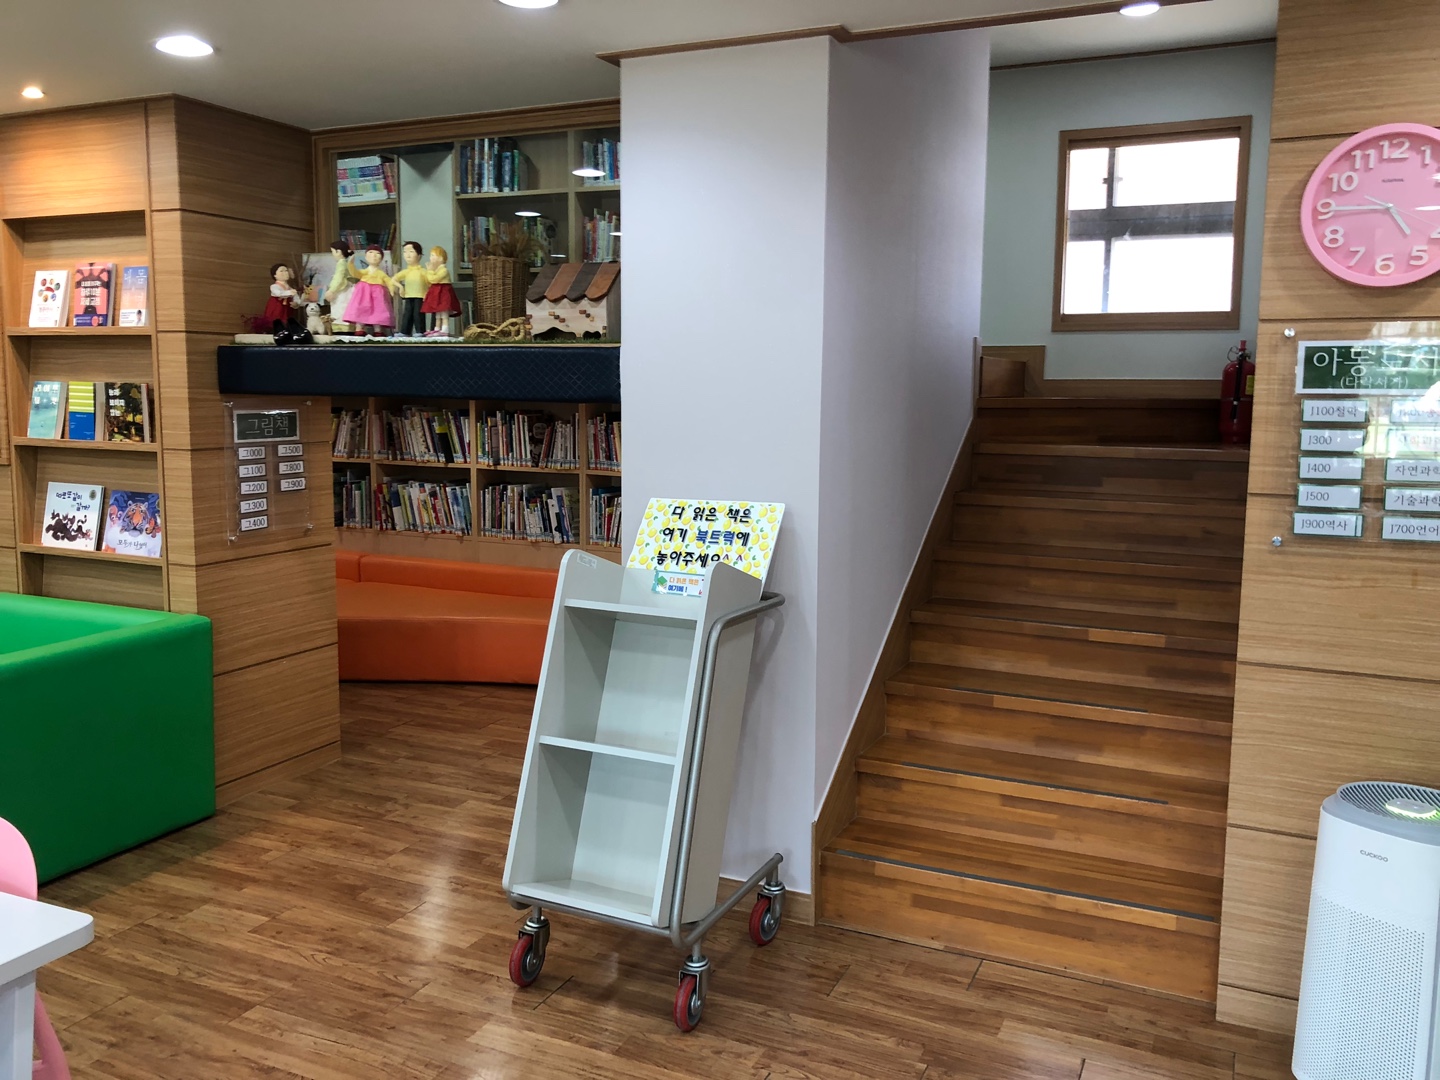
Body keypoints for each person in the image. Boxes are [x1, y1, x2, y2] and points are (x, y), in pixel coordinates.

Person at [342, 245, 399, 337]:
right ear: (366, 257)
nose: (374, 255)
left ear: (381, 258)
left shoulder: (381, 274)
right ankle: (359, 328)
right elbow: (355, 273)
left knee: (378, 310)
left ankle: (378, 330)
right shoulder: (364, 272)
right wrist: (351, 264)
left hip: (378, 296)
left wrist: (392, 290)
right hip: (363, 295)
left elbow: (389, 281)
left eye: (377, 253)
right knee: (361, 310)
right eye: (371, 253)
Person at [422, 246, 463, 337]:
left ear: (440, 258)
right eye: (431, 255)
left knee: (444, 312)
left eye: (433, 255)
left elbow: (434, 279)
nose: (431, 258)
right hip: (437, 293)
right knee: (438, 313)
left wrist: (430, 271)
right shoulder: (436, 270)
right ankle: (437, 328)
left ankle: (445, 329)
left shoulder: (444, 270)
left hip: (443, 294)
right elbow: (429, 281)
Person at [391, 240, 430, 338]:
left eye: (411, 252)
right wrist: (400, 287)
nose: (407, 255)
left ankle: (420, 331)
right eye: (405, 252)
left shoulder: (423, 271)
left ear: (419, 255)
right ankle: (405, 331)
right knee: (407, 314)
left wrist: (428, 294)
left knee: (418, 314)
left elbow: (430, 282)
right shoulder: (406, 271)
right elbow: (394, 279)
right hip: (408, 296)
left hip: (420, 296)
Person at [263, 263, 303, 328]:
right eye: (281, 271)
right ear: (275, 275)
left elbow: (296, 297)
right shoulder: (274, 286)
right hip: (277, 307)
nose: (285, 273)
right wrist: (289, 292)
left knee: (287, 321)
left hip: (287, 308)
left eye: (286, 270)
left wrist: (296, 303)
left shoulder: (289, 288)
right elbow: (278, 293)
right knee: (275, 320)